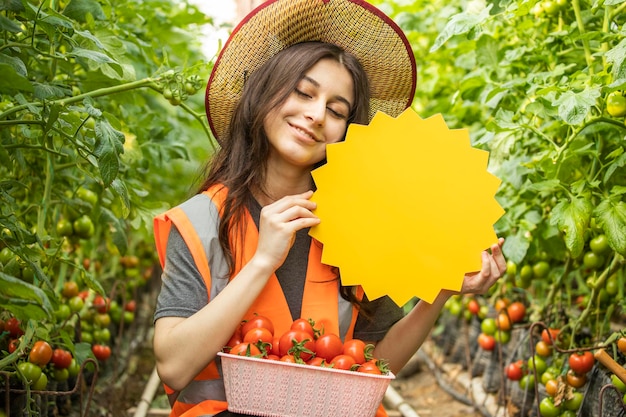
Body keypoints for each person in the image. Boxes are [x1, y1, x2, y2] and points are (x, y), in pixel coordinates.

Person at [152, 1, 507, 416]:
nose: (316, 115)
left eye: (337, 110)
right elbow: (173, 367)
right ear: (264, 92)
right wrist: (263, 260)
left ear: (347, 133)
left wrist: (441, 291)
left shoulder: (363, 223)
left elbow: (375, 364)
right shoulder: (201, 220)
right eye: (303, 92)